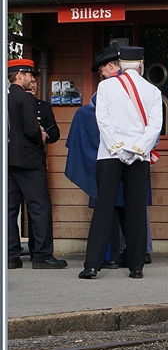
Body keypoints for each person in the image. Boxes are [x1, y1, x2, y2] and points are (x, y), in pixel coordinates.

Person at [65, 43, 154, 270]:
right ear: (141, 64)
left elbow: (102, 121)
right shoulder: (153, 91)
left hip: (109, 155)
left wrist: (117, 148)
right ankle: (136, 268)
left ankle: (92, 266)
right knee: (136, 213)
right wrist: (136, 150)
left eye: (102, 69)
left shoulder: (105, 88)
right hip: (138, 157)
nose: (101, 73)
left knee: (103, 211)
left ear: (118, 64)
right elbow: (154, 128)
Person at [7, 59, 68, 269]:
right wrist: (41, 136)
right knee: (39, 206)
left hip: (8, 160)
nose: (32, 79)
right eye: (29, 75)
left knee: (8, 209)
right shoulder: (24, 99)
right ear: (19, 76)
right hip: (28, 160)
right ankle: (41, 254)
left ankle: (10, 256)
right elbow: (32, 130)